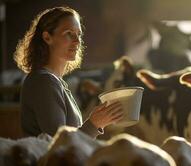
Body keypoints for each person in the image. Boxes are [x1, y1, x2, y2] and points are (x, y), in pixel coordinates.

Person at [14, 6, 124, 138]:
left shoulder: (54, 81)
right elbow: (59, 145)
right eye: (69, 33)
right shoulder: (44, 82)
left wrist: (98, 122)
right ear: (47, 37)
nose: (77, 41)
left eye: (78, 34)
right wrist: (94, 124)